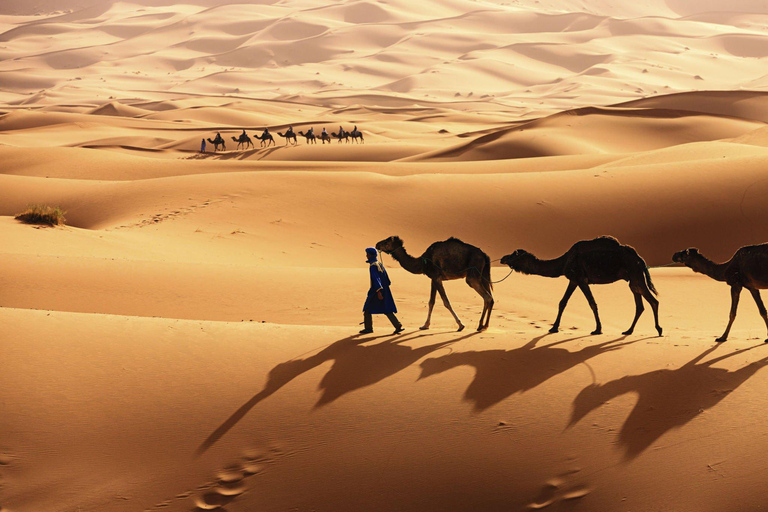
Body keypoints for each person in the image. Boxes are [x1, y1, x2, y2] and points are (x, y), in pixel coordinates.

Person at [360, 247, 403, 335]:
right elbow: (387, 279)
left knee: (367, 308)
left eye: (367, 254)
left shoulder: (373, 266)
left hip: (377, 291)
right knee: (386, 308)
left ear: (370, 255)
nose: (366, 255)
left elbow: (376, 279)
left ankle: (368, 328)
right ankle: (397, 325)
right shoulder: (379, 263)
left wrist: (379, 291)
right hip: (385, 289)